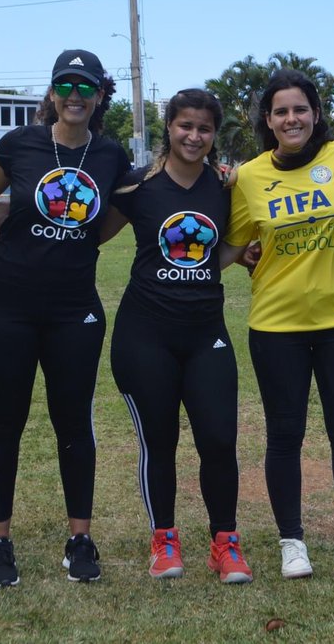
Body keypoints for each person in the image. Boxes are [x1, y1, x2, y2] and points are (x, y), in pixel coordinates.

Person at [0, 49, 132, 588]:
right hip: (4, 309)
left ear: (100, 94)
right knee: (4, 426)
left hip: (73, 311)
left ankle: (80, 539)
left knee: (74, 423)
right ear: (52, 93)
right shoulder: (19, 144)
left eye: (86, 87)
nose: (75, 96)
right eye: (66, 85)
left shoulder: (110, 156)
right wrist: (28, 208)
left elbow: (106, 224)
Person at [224, 68, 334, 580]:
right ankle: (293, 543)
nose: (291, 118)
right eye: (280, 111)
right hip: (276, 324)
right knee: (283, 434)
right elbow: (232, 241)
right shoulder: (248, 176)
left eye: (300, 109)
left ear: (315, 114)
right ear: (268, 121)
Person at [109, 88, 255, 584]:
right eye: (185, 126)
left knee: (218, 439)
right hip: (144, 334)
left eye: (204, 128)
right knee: (160, 441)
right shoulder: (135, 186)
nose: (194, 136)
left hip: (204, 335)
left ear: (214, 136)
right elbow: (83, 227)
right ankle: (164, 540)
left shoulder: (226, 185)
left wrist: (240, 254)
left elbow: (230, 244)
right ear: (168, 127)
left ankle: (225, 544)